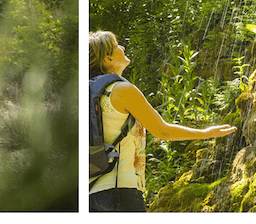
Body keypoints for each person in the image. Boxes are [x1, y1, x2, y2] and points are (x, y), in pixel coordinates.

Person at [88, 31, 237, 212]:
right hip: (120, 193)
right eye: (117, 45)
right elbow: (162, 131)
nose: (123, 47)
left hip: (90, 194)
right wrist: (206, 133)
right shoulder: (122, 90)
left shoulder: (89, 94)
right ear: (108, 59)